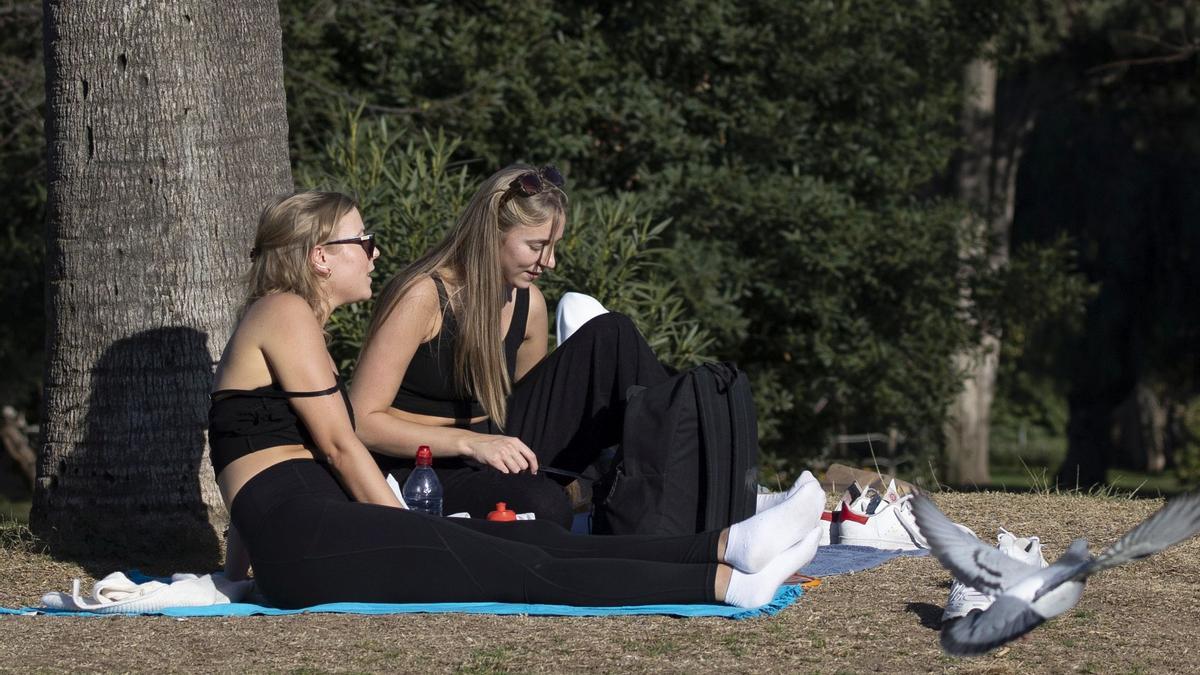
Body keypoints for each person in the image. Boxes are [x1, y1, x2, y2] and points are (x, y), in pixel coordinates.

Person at [209, 190, 826, 609]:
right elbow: (343, 446)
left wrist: (241, 570)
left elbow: (261, 464)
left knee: (527, 542)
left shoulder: (282, 320)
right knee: (518, 568)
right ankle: (720, 585)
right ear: (320, 258)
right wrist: (398, 523)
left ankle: (728, 549)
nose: (374, 252)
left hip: (306, 531)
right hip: (310, 538)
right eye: (360, 241)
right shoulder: (285, 311)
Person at [352, 165, 674, 525]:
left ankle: (683, 487)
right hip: (420, 465)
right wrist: (469, 443)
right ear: (492, 234)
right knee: (545, 504)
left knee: (614, 333)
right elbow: (361, 423)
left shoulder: (528, 301)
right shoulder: (422, 297)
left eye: (553, 247)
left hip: (496, 444)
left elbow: (532, 411)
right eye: (537, 246)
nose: (549, 262)